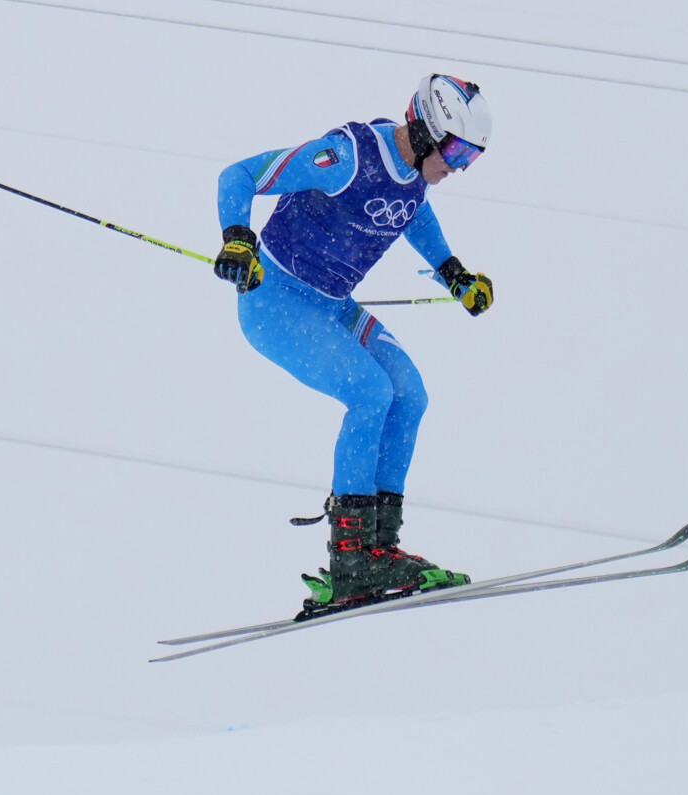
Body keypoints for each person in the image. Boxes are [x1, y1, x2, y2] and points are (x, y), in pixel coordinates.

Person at [213, 74, 497, 616]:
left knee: (409, 394)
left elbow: (412, 211)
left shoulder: (415, 172)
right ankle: (349, 559)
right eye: (459, 151)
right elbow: (240, 174)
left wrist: (454, 274)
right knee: (370, 393)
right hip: (277, 301)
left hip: (334, 306)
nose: (459, 166)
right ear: (429, 130)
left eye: (471, 157)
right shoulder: (346, 158)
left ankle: (379, 549)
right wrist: (236, 236)